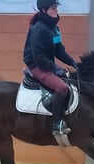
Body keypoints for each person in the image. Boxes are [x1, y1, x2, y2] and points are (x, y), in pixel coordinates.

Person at [23, 0, 78, 135]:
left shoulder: (54, 29)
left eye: (56, 8)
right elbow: (38, 57)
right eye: (53, 8)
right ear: (43, 10)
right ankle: (56, 124)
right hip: (37, 65)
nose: (56, 11)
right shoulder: (39, 29)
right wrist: (56, 69)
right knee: (62, 88)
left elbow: (59, 51)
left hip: (46, 64)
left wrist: (73, 63)